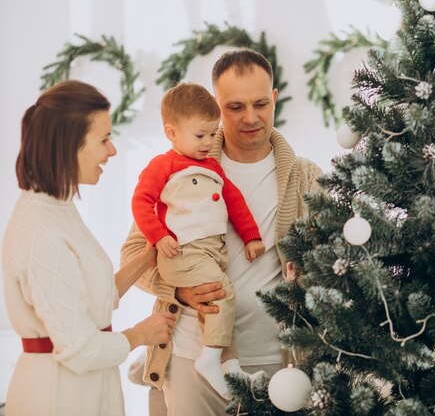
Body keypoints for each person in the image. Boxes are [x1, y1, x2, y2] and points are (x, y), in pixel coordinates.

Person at [121, 48, 323, 415]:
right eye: (234, 107)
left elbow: (338, 264)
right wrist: (180, 290)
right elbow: (133, 252)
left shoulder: (308, 178)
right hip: (190, 358)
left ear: (274, 99)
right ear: (216, 105)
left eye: (261, 104)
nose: (250, 117)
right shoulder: (178, 169)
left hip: (279, 366)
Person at [1, 80, 176, 416]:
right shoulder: (41, 230)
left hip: (82, 392)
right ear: (70, 146)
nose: (112, 151)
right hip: (58, 397)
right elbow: (79, 349)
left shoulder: (57, 210)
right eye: (104, 139)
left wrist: (146, 259)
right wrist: (141, 333)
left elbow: (90, 298)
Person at [131, 82, 265, 399]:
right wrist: (159, 236)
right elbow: (140, 202)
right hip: (181, 252)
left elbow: (235, 203)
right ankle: (209, 360)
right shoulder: (163, 166)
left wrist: (251, 237)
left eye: (211, 134)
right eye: (200, 136)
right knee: (224, 291)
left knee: (219, 304)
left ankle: (228, 363)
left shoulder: (212, 167)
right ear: (172, 133)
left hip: (209, 253)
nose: (208, 142)